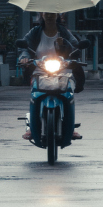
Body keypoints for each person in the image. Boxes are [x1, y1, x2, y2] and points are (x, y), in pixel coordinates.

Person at [17, 11, 83, 142]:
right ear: (42, 15)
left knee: (68, 95)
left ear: (58, 15)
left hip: (62, 71)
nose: (49, 15)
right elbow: (25, 47)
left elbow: (75, 47)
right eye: (46, 13)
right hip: (40, 71)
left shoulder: (64, 33)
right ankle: (32, 127)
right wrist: (24, 58)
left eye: (53, 13)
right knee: (35, 96)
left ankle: (71, 127)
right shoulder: (35, 32)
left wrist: (65, 47)